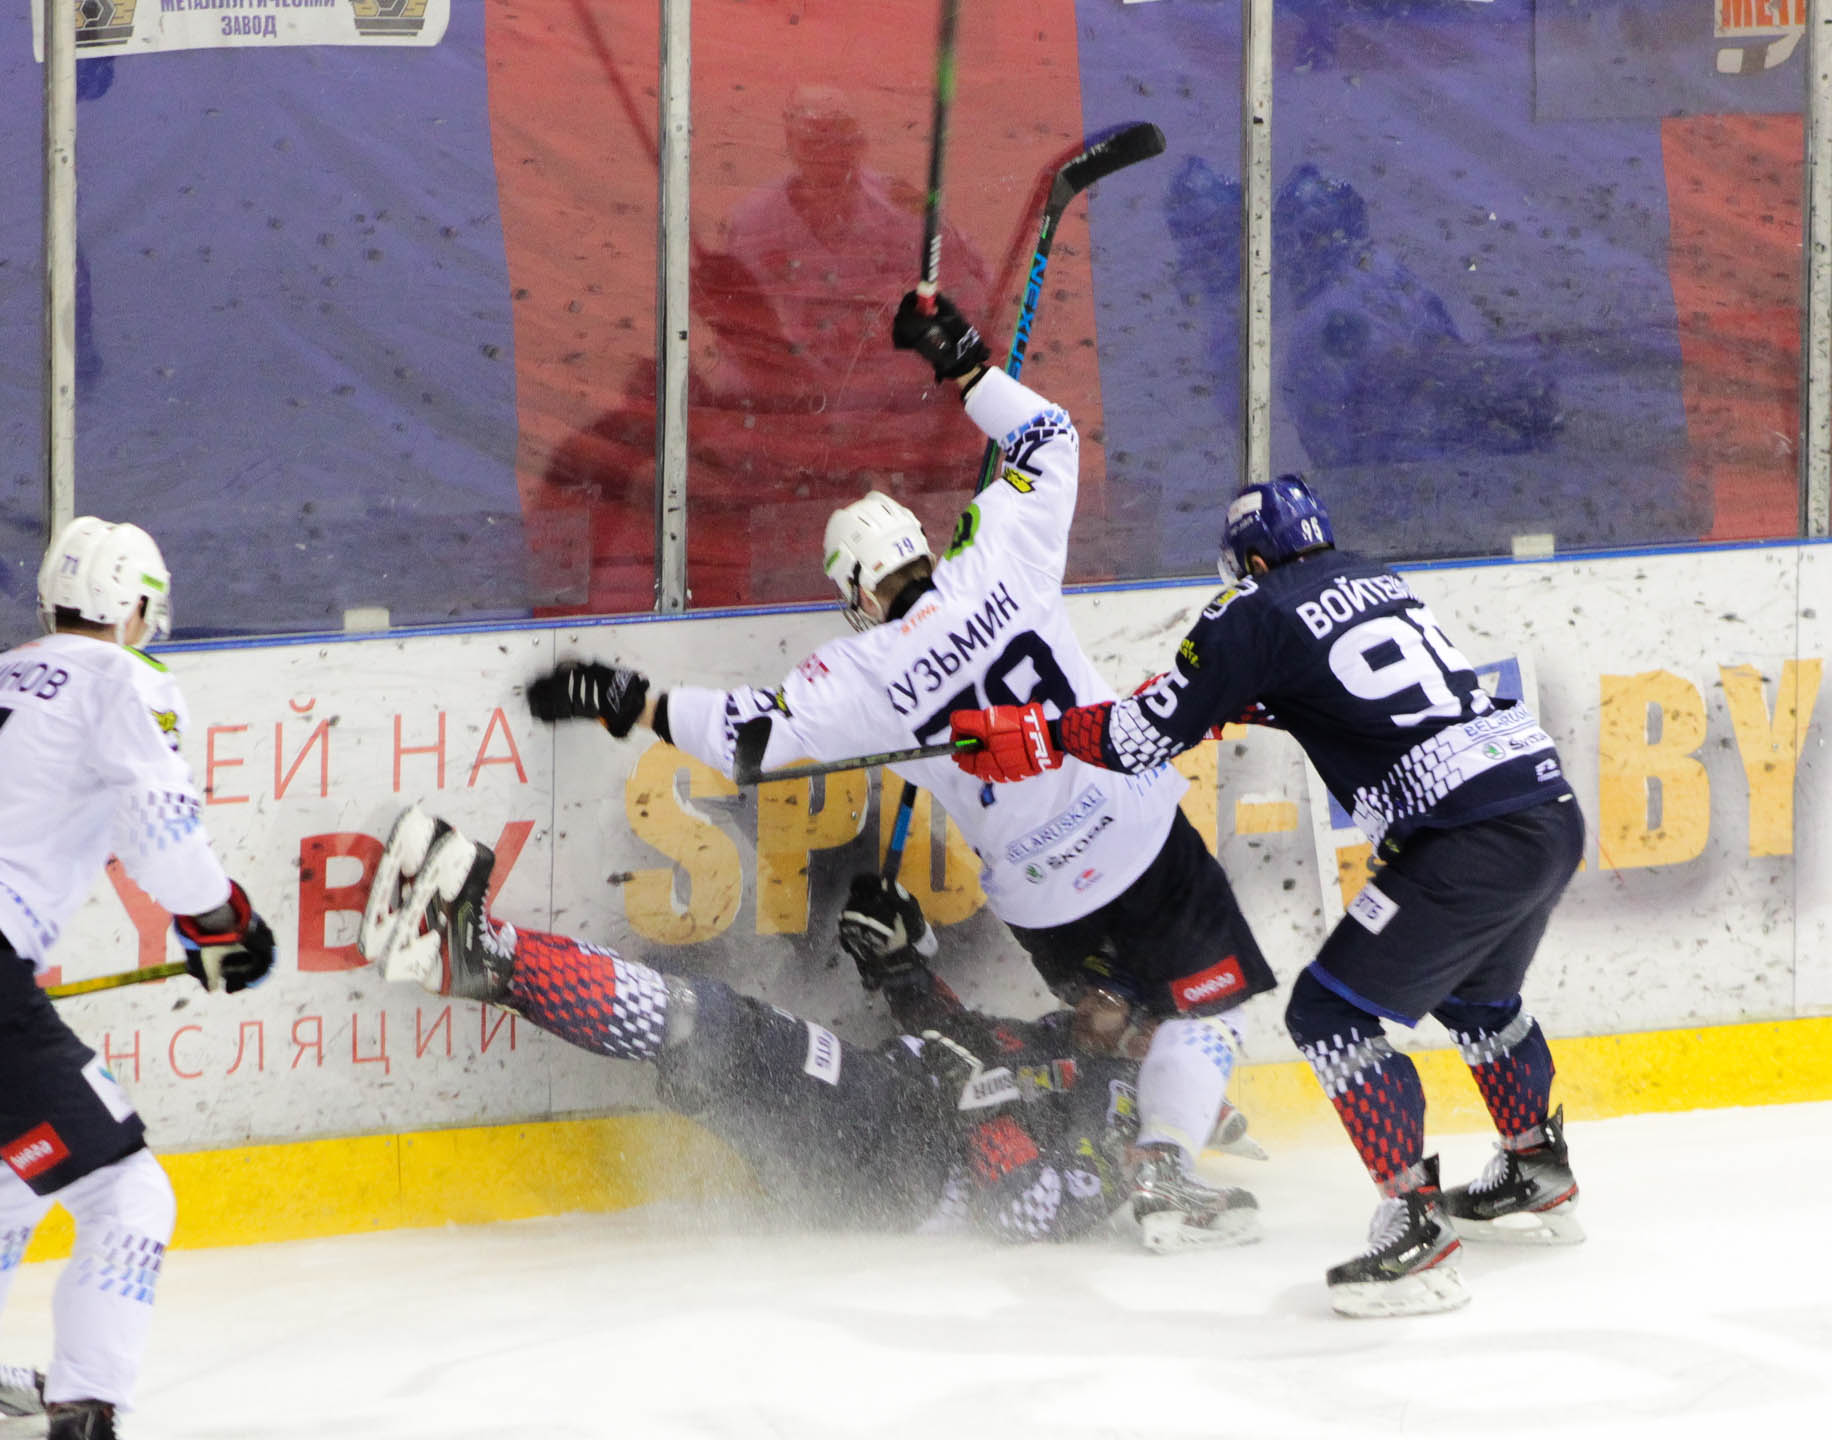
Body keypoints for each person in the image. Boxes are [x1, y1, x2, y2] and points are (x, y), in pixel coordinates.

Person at [525, 289, 1276, 1252]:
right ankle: (1167, 1156)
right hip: (1135, 839)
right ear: (920, 543)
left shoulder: (860, 673)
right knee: (1211, 1007)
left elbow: (748, 739)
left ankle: (1164, 1095)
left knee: (1107, 1010)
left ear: (856, 592)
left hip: (1044, 902)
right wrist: (962, 362)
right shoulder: (999, 556)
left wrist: (626, 700)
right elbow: (1050, 437)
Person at [944, 475, 1585, 1317]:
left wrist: (1039, 734)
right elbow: (1345, 690)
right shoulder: (1374, 578)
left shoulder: (1250, 608)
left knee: (1328, 1014)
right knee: (1480, 999)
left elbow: (1140, 737)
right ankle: (1535, 1167)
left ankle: (1416, 1233)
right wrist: (1230, 700)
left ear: (1249, 562)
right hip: (1545, 807)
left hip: (1464, 837)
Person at [359, 804, 1256, 1242]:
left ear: (1150, 1033)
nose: (1086, 1000)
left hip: (896, 1164)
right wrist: (904, 971)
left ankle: (483, 954)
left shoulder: (1129, 1112)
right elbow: (970, 1049)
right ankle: (473, 958)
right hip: (877, 1134)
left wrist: (981, 1106)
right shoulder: (1070, 1047)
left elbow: (1032, 1211)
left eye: (1110, 997)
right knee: (705, 1048)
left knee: (715, 1030)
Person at [0, 519, 277, 1439]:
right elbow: (159, 829)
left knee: (10, 1178)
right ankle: (87, 1408)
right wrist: (220, 919)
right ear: (130, 605)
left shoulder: (5, 673)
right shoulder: (123, 678)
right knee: (127, 1192)